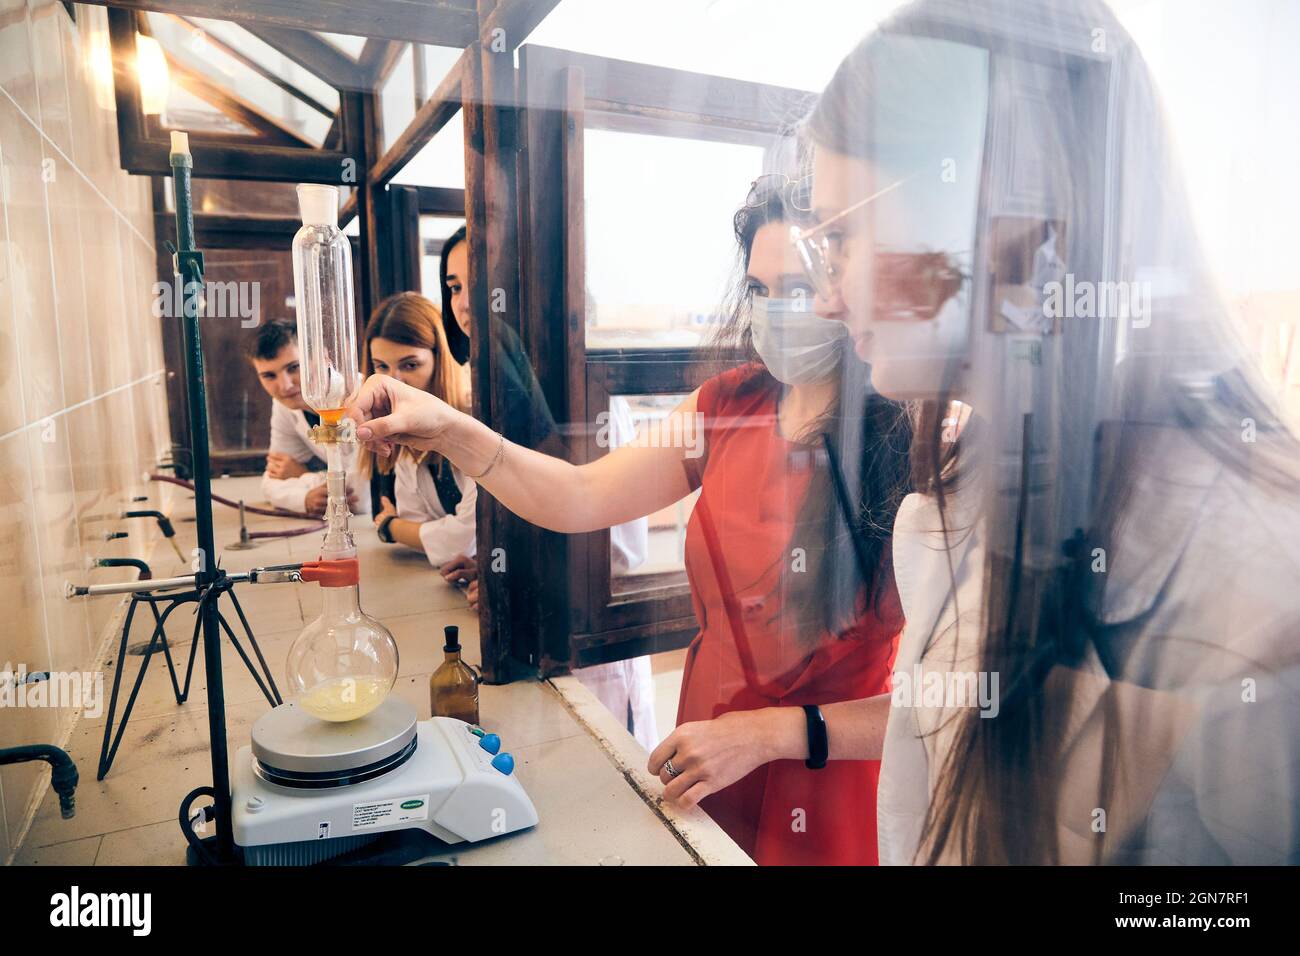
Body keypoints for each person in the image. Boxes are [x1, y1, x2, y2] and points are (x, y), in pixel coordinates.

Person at [796, 0, 1300, 864]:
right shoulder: (956, 504)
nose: (825, 296)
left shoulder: (1255, 571)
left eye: (840, 237)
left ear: (982, 204)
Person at [344, 186, 914, 865]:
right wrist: (445, 428)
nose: (778, 310)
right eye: (760, 288)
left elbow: (942, 708)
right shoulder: (731, 402)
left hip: (827, 783)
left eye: (799, 285)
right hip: (704, 754)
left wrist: (769, 735)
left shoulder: (911, 437)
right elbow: (581, 495)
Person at [435, 227, 659, 754]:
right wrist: (493, 566)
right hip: (521, 652)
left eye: (480, 283)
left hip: (585, 651)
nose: (465, 303)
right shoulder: (489, 397)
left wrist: (517, 578)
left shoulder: (591, 403)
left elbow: (623, 549)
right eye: (452, 286)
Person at [362, 293, 478, 569]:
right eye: (381, 367)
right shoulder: (403, 427)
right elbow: (415, 520)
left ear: (441, 360)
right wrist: (407, 528)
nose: (394, 382)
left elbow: (466, 538)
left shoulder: (478, 415)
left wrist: (389, 526)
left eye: (410, 365)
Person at [247, 318, 366, 517]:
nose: (284, 386)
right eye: (269, 376)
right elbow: (271, 482)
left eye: (294, 367)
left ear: (324, 357)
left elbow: (360, 497)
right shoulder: (285, 405)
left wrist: (302, 475)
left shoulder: (361, 395)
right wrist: (304, 499)